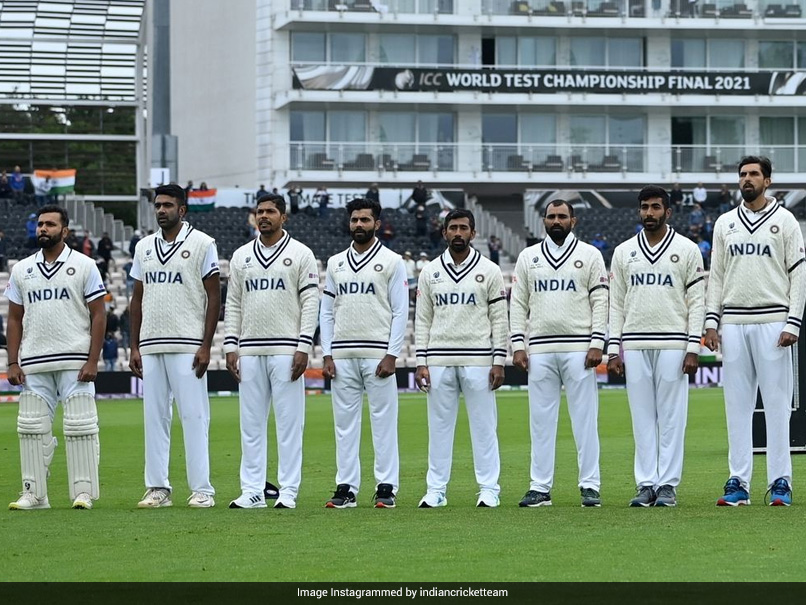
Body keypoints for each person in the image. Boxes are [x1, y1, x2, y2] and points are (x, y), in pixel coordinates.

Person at [705, 156, 806, 507]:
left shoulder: (785, 220)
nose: (747, 179)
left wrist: (793, 321)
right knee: (737, 406)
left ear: (768, 181)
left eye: (754, 174)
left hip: (773, 320)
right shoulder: (725, 223)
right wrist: (711, 321)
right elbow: (717, 275)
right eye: (743, 175)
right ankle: (738, 481)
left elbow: (798, 273)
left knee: (777, 405)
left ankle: (780, 481)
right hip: (734, 322)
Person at [607, 185, 705, 508]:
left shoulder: (687, 249)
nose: (649, 213)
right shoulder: (624, 252)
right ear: (639, 211)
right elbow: (616, 303)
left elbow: (697, 301)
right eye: (645, 207)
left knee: (672, 417)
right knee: (642, 418)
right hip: (635, 343)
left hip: (673, 342)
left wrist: (693, 346)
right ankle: (646, 483)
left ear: (668, 211)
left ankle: (668, 485)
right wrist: (613, 349)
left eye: (655, 207)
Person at [5, 205, 106, 510]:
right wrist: (13, 361)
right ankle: (34, 494)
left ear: (65, 230)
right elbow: (14, 318)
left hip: (75, 360)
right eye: (40, 224)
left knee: (81, 425)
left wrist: (93, 360)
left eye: (50, 224)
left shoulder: (85, 265)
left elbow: (98, 314)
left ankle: (83, 492)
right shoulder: (22, 269)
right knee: (30, 428)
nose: (43, 229)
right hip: (35, 361)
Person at [510, 200, 608, 508]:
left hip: (579, 347)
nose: (556, 221)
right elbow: (518, 303)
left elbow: (601, 301)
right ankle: (539, 487)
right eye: (551, 216)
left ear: (573, 221)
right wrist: (518, 344)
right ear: (543, 220)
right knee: (540, 422)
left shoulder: (589, 254)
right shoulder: (528, 257)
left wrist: (597, 342)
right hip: (540, 348)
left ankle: (590, 485)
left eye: (562, 216)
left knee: (585, 420)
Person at [224, 193, 319, 510]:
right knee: (250, 425)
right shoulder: (241, 256)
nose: (263, 216)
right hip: (249, 350)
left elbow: (310, 302)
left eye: (270, 211)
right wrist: (230, 345)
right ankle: (252, 490)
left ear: (284, 217)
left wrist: (303, 345)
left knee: (289, 425)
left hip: (286, 350)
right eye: (259, 211)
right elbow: (233, 303)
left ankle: (288, 490)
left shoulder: (301, 253)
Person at [129, 183, 221, 509]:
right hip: (151, 343)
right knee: (154, 418)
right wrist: (134, 346)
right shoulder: (143, 246)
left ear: (182, 209)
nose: (161, 210)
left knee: (194, 417)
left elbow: (214, 297)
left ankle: (202, 490)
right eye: (158, 205)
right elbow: (137, 299)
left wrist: (206, 345)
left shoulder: (203, 243)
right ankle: (158, 488)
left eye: (167, 205)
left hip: (188, 344)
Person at [415, 209, 508, 508]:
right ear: (444, 232)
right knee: (439, 429)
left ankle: (489, 488)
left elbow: (499, 318)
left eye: (463, 228)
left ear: (473, 233)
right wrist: (420, 361)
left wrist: (498, 360)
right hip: (438, 358)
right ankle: (436, 490)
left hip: (479, 358)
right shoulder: (430, 271)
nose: (458, 233)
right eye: (453, 227)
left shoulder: (490, 270)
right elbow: (422, 319)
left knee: (484, 428)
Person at [319, 197, 408, 508]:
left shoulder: (393, 261)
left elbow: (400, 311)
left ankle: (386, 487)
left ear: (377, 224)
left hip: (377, 355)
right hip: (342, 355)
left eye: (365, 220)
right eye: (355, 220)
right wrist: (327, 354)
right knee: (344, 425)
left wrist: (392, 354)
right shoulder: (335, 263)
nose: (359, 224)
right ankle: (346, 487)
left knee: (384, 423)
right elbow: (326, 311)